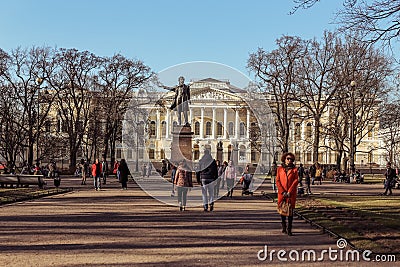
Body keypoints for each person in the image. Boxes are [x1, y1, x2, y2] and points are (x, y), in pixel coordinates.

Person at [276, 152, 299, 236]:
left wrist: (289, 191)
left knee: (290, 212)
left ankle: (289, 229)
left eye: (291, 159)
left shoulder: (294, 169)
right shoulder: (280, 169)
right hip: (282, 193)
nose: (289, 160)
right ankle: (284, 227)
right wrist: (282, 191)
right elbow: (277, 181)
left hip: (290, 194)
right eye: (288, 159)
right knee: (282, 211)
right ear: (284, 159)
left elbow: (296, 181)